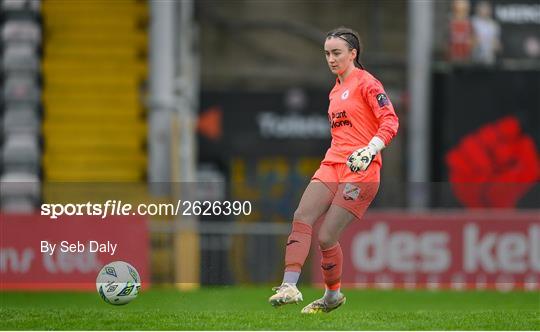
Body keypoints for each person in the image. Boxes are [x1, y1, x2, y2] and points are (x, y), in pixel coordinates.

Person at [268, 27, 399, 314]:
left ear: (353, 54)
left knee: (327, 236)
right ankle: (289, 285)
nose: (331, 58)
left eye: (337, 53)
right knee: (302, 215)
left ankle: (332, 296)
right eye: (327, 53)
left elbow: (390, 121)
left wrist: (370, 149)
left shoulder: (367, 83)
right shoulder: (335, 90)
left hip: (362, 171)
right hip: (333, 163)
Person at [471, 0, 501, 65]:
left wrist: (496, 45)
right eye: (483, 8)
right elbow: (469, 40)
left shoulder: (494, 25)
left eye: (487, 8)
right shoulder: (472, 22)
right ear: (478, 9)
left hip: (489, 59)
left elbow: (497, 44)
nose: (485, 10)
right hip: (474, 59)